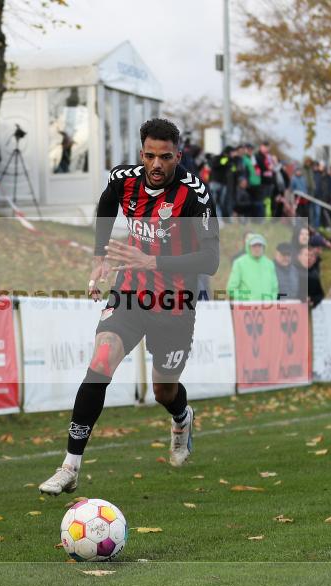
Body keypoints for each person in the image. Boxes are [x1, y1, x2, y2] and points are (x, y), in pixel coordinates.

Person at [38, 118, 219, 496]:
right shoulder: (125, 179)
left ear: (178, 156)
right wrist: (99, 258)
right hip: (130, 291)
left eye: (165, 157)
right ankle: (69, 466)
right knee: (101, 362)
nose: (156, 164)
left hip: (174, 303)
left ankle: (182, 417)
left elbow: (211, 260)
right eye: (150, 156)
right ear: (141, 154)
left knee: (164, 391)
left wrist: (153, 261)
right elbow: (106, 204)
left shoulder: (195, 194)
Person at [227, 233, 278, 301]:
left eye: (259, 245)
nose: (257, 248)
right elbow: (231, 289)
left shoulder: (270, 264)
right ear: (249, 247)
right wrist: (247, 298)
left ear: (263, 247)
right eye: (254, 246)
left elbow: (275, 289)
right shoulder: (239, 263)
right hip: (246, 306)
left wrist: (270, 300)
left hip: (267, 305)